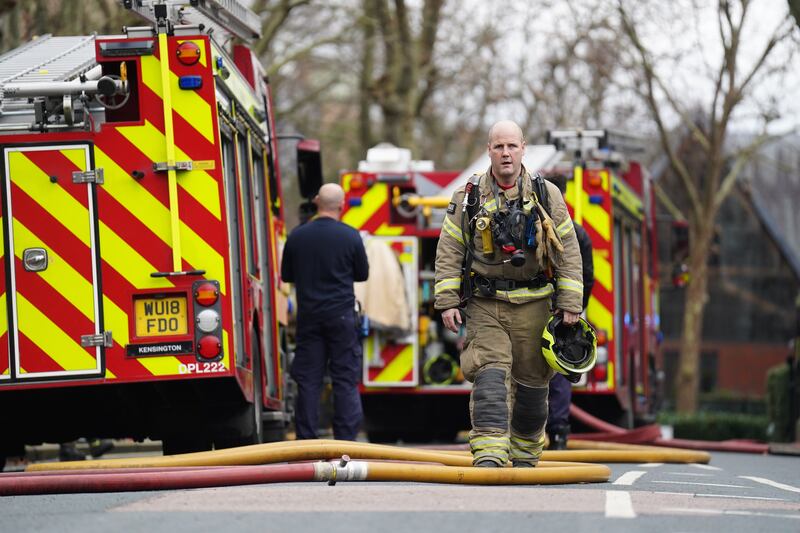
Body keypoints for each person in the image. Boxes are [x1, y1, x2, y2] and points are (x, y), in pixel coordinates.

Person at [434, 120, 583, 467]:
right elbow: (449, 250)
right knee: (489, 372)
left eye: (511, 146)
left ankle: (526, 454)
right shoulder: (468, 196)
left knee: (533, 383)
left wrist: (570, 303)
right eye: (498, 146)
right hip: (486, 303)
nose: (505, 153)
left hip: (534, 303)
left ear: (523, 149)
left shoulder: (547, 195)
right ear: (488, 150)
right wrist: (447, 301)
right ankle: (489, 454)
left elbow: (568, 250)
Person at [281, 183, 369, 441]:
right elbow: (362, 274)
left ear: (317, 201)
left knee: (308, 382)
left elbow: (287, 275)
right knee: (345, 379)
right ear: (342, 206)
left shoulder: (297, 236)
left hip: (309, 319)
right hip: (342, 318)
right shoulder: (351, 236)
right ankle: (346, 445)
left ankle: (306, 444)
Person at [544, 174, 594, 450]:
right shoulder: (578, 231)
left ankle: (546, 431)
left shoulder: (541, 227)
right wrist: (575, 308)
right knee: (561, 370)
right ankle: (558, 433)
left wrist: (572, 307)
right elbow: (587, 276)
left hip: (546, 308)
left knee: (544, 372)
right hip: (564, 312)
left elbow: (583, 274)